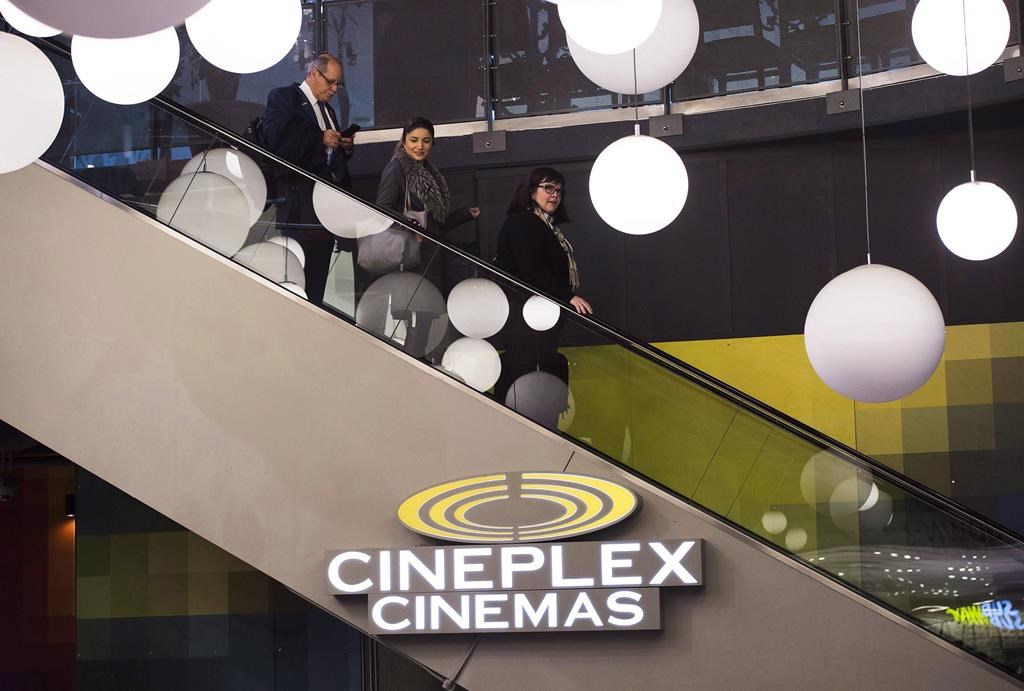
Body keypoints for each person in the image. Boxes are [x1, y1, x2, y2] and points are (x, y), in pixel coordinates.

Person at [493, 167, 592, 417]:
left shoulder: (545, 225)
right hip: (524, 318)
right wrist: (568, 295)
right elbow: (532, 270)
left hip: (537, 318)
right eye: (548, 188)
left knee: (539, 374)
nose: (555, 195)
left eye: (558, 190)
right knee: (527, 377)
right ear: (531, 191)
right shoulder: (524, 222)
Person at [262, 53, 355, 306]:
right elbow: (278, 141)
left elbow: (328, 158)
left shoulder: (328, 110)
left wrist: (343, 146)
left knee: (317, 288)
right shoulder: (285, 97)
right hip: (299, 210)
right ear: (314, 73)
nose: (334, 89)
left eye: (338, 84)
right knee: (299, 286)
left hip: (325, 213)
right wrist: (320, 139)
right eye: (331, 82)